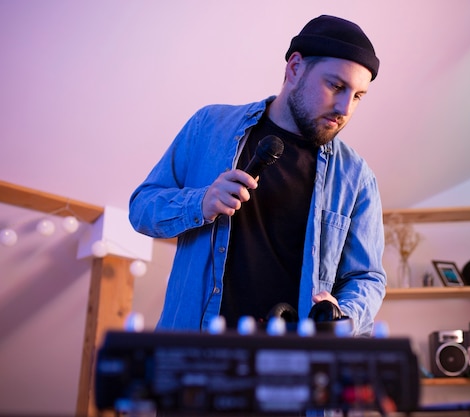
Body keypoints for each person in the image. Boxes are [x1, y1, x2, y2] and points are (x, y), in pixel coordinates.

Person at [129, 15, 386, 337]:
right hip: (195, 355)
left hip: (293, 368)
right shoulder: (210, 125)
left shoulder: (357, 178)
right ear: (295, 68)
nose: (345, 108)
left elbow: (367, 277)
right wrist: (201, 202)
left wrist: (342, 316)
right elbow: (142, 209)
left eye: (358, 96)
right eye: (336, 86)